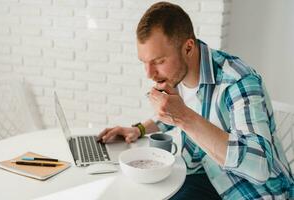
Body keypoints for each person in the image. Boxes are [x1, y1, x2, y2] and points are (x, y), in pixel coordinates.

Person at [98, 2, 294, 199]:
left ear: (188, 48)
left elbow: (259, 166)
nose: (149, 74)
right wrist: (138, 129)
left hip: (254, 192)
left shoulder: (238, 80)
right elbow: (171, 114)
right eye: (144, 63)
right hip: (208, 174)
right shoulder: (176, 75)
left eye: (158, 61)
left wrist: (184, 117)